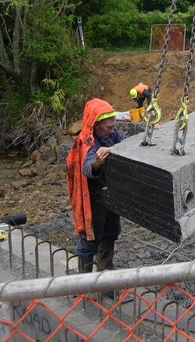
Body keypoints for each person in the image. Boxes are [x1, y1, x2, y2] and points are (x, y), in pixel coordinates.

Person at [66, 98, 125, 273]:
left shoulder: (111, 135)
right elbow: (87, 169)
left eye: (113, 127)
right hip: (91, 201)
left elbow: (125, 142)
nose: (112, 130)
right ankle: (84, 282)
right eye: (108, 127)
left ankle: (105, 277)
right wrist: (98, 163)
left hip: (109, 195)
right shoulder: (88, 143)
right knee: (89, 239)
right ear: (96, 125)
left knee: (110, 233)